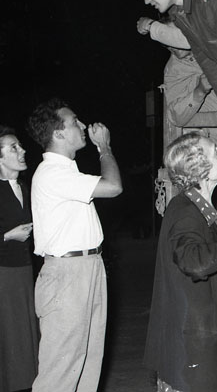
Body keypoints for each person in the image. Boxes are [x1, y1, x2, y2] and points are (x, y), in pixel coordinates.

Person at [26, 98, 122, 392]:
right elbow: (113, 186)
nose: (82, 125)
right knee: (60, 374)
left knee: (87, 368)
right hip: (67, 275)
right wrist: (104, 147)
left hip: (87, 268)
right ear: (58, 133)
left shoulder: (68, 171)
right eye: (74, 122)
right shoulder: (53, 173)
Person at [144, 132, 217, 392]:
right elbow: (194, 262)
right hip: (194, 348)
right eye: (215, 152)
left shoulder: (199, 208)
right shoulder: (185, 212)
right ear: (200, 168)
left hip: (204, 340)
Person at [0, 126, 38, 392]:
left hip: (25, 271)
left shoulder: (24, 187)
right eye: (13, 147)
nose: (22, 151)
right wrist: (7, 236)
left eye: (20, 145)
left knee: (25, 336)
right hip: (3, 274)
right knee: (9, 338)